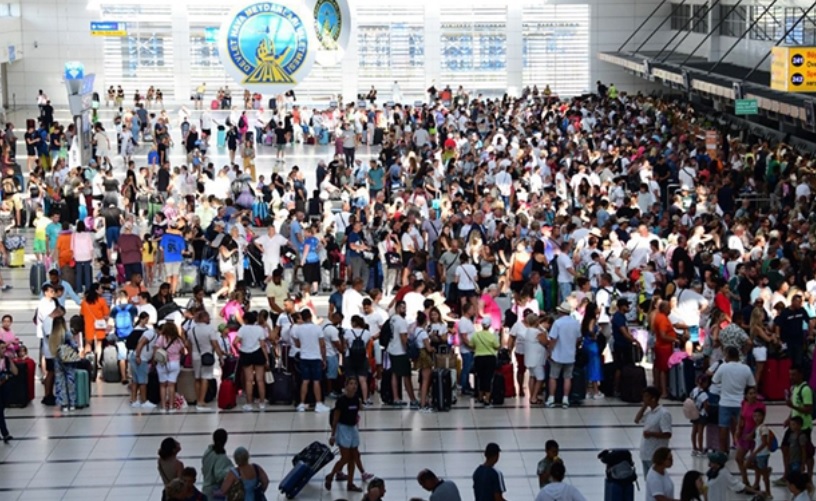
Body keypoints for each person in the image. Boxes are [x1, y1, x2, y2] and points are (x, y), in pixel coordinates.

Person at [325, 378, 374, 492]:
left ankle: (350, 483)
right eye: (351, 384)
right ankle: (331, 475)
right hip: (343, 429)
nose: (354, 386)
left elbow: (357, 413)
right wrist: (333, 435)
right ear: (346, 386)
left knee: (353, 457)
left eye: (355, 384)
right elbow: (335, 419)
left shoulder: (357, 399)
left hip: (353, 429)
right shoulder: (341, 401)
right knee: (345, 457)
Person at [711, 346, 755, 452]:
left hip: (725, 402)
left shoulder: (723, 367)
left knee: (723, 427)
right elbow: (752, 384)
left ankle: (723, 451)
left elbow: (714, 380)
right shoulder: (746, 368)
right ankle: (741, 448)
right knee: (741, 427)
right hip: (741, 403)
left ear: (728, 355)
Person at [777, 365, 814, 485]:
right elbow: (795, 407)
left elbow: (808, 409)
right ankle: (787, 474)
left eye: (794, 374)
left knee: (807, 452)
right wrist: (789, 418)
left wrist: (792, 406)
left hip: (804, 427)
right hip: (793, 425)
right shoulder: (794, 388)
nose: (791, 377)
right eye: (790, 374)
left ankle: (808, 477)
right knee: (784, 447)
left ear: (800, 375)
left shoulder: (806, 389)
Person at [293, 309, 331, 413]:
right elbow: (322, 345)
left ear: (302, 317)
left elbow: (297, 344)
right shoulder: (317, 328)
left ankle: (301, 403)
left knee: (305, 381)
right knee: (316, 381)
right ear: (310, 316)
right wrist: (324, 359)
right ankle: (318, 404)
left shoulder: (298, 329)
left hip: (304, 357)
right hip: (316, 357)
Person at [233, 311, 270, 412]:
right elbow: (263, 345)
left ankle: (249, 403)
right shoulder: (259, 329)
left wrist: (239, 350)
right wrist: (266, 358)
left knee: (248, 380)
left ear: (245, 320)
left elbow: (235, 342)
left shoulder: (242, 329)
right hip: (258, 353)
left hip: (246, 354)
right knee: (260, 380)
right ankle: (262, 402)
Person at [546, 301, 581, 409]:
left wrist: (550, 351)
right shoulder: (575, 323)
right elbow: (578, 338)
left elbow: (553, 339)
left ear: (560, 311)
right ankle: (565, 399)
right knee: (567, 377)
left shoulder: (557, 323)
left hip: (557, 354)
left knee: (553, 377)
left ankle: (551, 398)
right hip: (570, 355)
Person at [189, 310, 222, 412]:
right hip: (206, 356)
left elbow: (188, 344)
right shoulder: (210, 330)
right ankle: (201, 401)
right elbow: (215, 344)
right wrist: (220, 356)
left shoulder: (191, 330)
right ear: (204, 318)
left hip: (195, 356)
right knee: (205, 378)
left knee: (197, 378)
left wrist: (191, 354)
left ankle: (198, 398)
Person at [635, 386, 673, 474]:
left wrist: (651, 434)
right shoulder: (650, 412)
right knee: (648, 482)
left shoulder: (663, 413)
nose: (643, 398)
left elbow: (667, 434)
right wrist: (644, 406)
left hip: (656, 455)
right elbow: (637, 420)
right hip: (645, 453)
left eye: (646, 396)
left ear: (653, 398)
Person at [154, 322, 186, 413]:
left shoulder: (161, 338)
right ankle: (172, 406)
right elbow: (183, 351)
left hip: (162, 363)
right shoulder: (178, 340)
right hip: (175, 363)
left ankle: (163, 407)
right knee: (171, 385)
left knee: (163, 385)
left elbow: (156, 349)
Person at [743, 408, 772, 497]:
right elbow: (759, 440)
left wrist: (754, 452)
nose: (756, 418)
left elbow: (764, 443)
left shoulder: (763, 428)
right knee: (746, 464)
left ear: (763, 417)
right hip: (758, 453)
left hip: (762, 454)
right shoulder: (758, 428)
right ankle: (765, 471)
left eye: (759, 416)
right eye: (755, 416)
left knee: (765, 477)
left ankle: (768, 492)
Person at [471, 316, 500, 407]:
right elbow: (497, 346)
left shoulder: (476, 335)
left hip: (478, 358)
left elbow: (472, 344)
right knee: (488, 378)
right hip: (490, 358)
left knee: (480, 377)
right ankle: (487, 398)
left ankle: (480, 397)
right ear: (490, 325)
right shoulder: (492, 336)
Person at [201, 428, 234, 500]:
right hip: (214, 492)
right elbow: (218, 475)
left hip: (205, 488)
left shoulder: (208, 452)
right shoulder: (221, 456)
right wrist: (231, 470)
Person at [0, 339, 19, 443]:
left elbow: (15, 372)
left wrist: (10, 361)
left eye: (4, 348)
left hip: (4, 389)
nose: (4, 350)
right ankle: (5, 433)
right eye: (1, 348)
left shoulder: (6, 360)